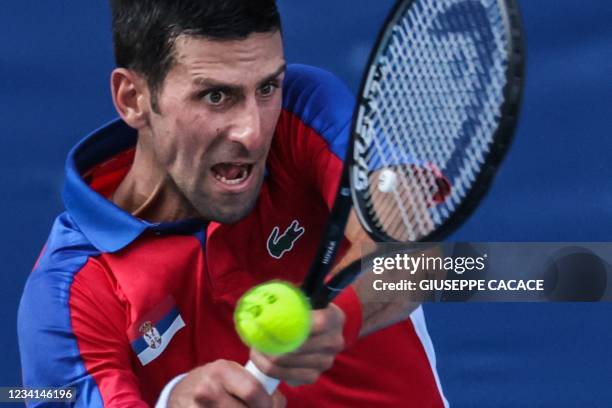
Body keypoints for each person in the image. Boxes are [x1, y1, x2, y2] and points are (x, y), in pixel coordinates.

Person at [18, 1, 447, 406]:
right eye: (216, 97)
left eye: (266, 87)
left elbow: (418, 251)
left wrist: (344, 316)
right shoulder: (66, 297)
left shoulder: (302, 113)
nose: (253, 132)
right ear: (133, 98)